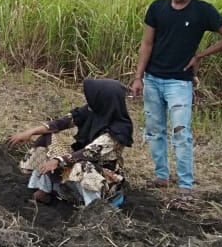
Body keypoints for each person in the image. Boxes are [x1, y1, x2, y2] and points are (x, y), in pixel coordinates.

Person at [130, 0, 222, 202]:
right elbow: (147, 43)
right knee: (155, 130)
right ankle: (161, 176)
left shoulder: (203, 11)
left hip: (179, 83)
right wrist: (138, 77)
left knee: (181, 133)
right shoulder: (157, 8)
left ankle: (185, 184)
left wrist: (201, 55)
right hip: (152, 79)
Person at [8, 78, 134, 207]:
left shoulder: (119, 130)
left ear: (102, 99)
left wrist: (58, 161)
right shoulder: (92, 111)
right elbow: (62, 122)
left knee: (83, 166)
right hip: (78, 160)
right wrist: (30, 132)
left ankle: (95, 208)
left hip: (104, 177)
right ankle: (42, 191)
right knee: (48, 138)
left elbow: (90, 152)